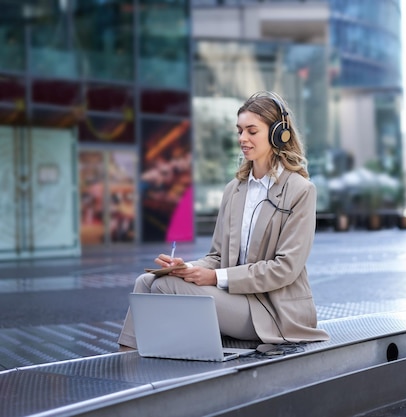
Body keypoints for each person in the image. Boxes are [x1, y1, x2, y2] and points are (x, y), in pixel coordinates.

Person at [118, 91, 330, 350]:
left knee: (165, 287)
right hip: (234, 298)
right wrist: (185, 267)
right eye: (240, 130)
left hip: (273, 312)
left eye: (252, 131)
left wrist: (214, 277)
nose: (242, 138)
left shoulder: (300, 190)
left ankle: (141, 364)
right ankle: (126, 358)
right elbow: (217, 256)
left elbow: (284, 269)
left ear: (278, 134)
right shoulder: (235, 189)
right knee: (146, 282)